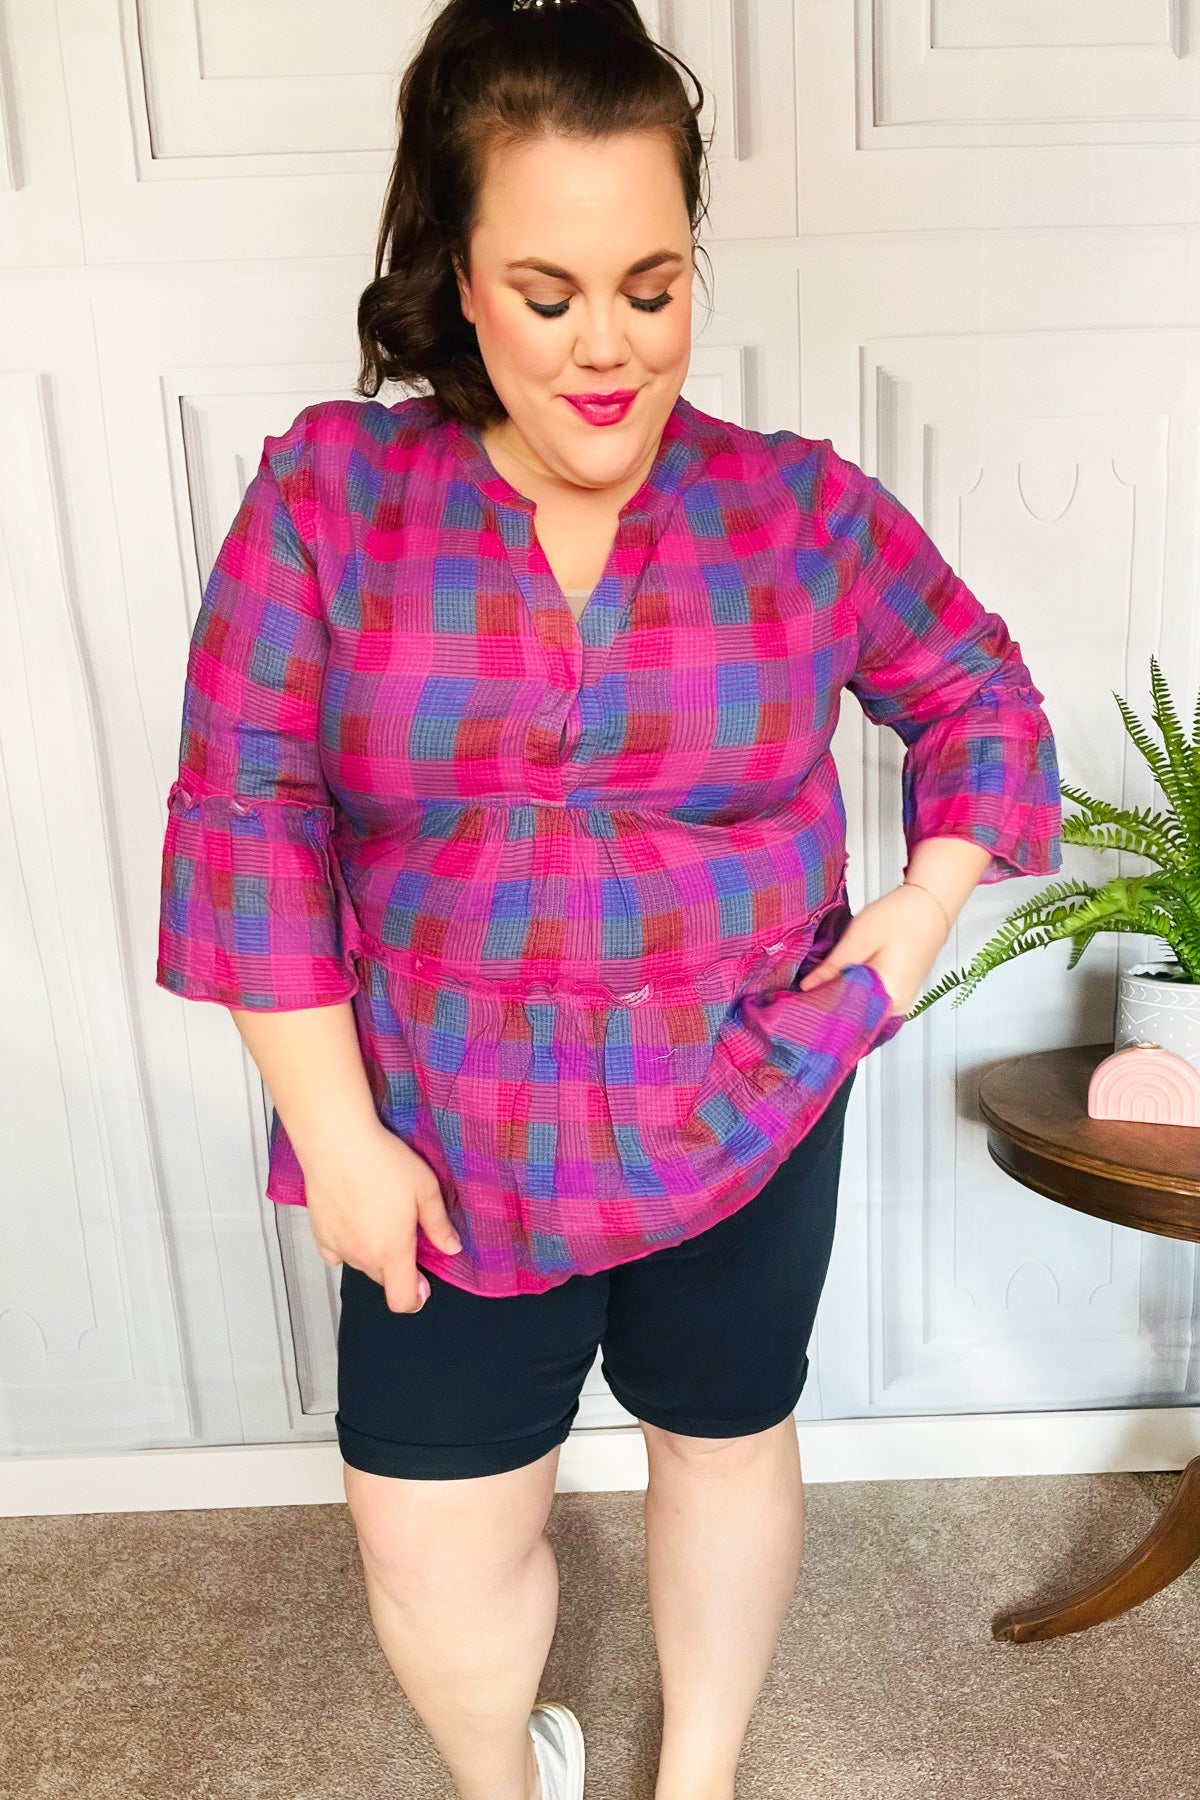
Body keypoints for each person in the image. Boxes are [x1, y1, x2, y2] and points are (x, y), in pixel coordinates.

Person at [154, 1, 1063, 1795]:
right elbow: (247, 813)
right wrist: (334, 1135)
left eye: (650, 289)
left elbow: (980, 691)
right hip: (440, 1122)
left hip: (745, 1085)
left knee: (721, 1437)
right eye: (548, 290)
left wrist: (927, 899)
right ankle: (515, 1775)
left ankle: (697, 1772)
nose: (606, 347)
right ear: (459, 276)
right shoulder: (331, 498)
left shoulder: (797, 512)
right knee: (429, 1529)